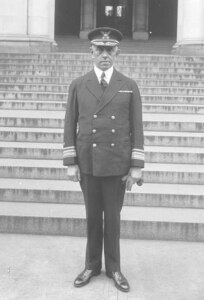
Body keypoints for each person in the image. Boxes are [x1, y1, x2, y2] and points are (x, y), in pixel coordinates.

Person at [63, 27, 144, 293]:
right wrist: (71, 162)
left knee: (113, 218)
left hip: (116, 165)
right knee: (91, 217)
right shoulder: (79, 84)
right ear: (91, 52)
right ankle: (91, 265)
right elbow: (69, 125)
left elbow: (137, 128)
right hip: (88, 162)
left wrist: (135, 166)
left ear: (117, 52)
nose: (105, 55)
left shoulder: (129, 85)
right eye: (100, 50)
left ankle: (115, 268)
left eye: (110, 50)